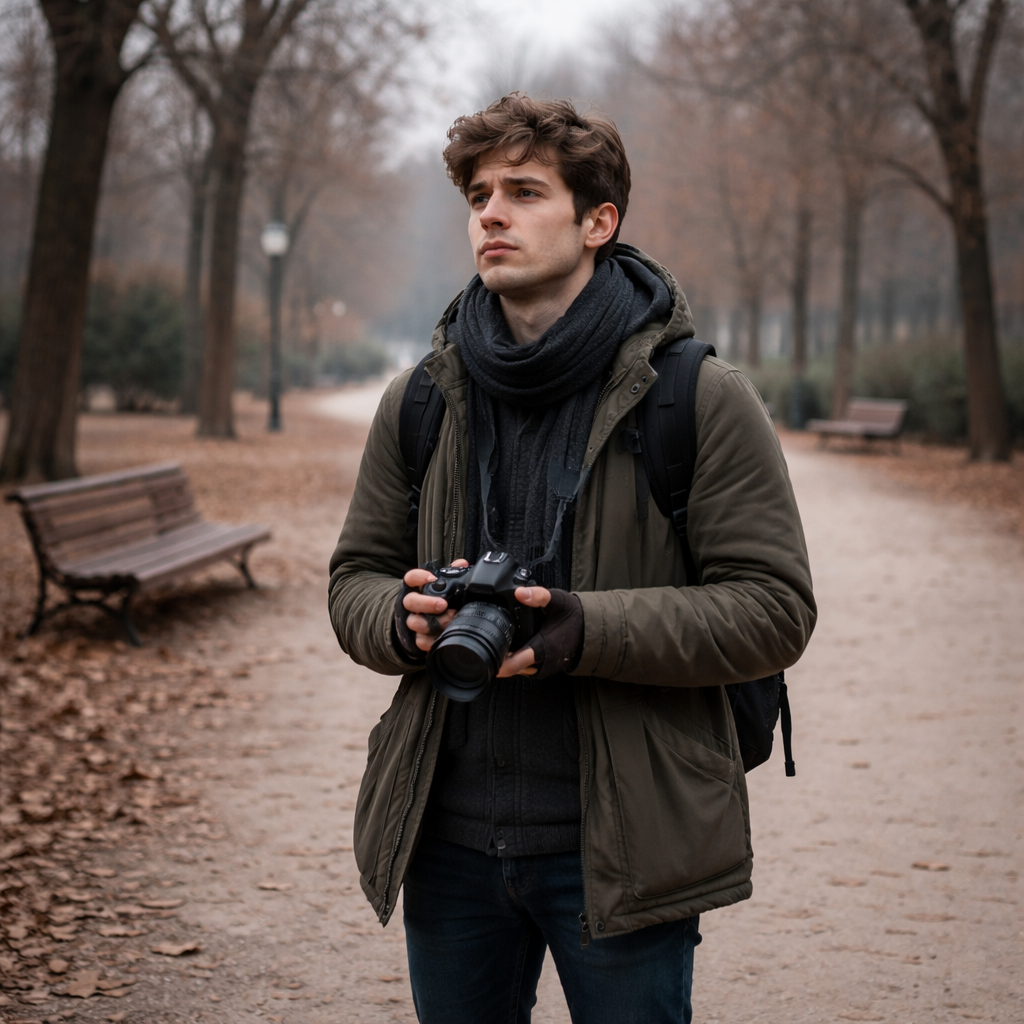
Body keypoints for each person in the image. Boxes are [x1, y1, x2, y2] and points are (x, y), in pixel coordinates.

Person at [328, 93, 816, 1024]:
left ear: (599, 221)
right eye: (478, 196)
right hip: (447, 837)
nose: (491, 215)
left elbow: (774, 608)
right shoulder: (419, 400)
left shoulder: (697, 397)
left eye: (524, 192)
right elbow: (354, 578)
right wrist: (400, 617)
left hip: (623, 841)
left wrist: (583, 629)